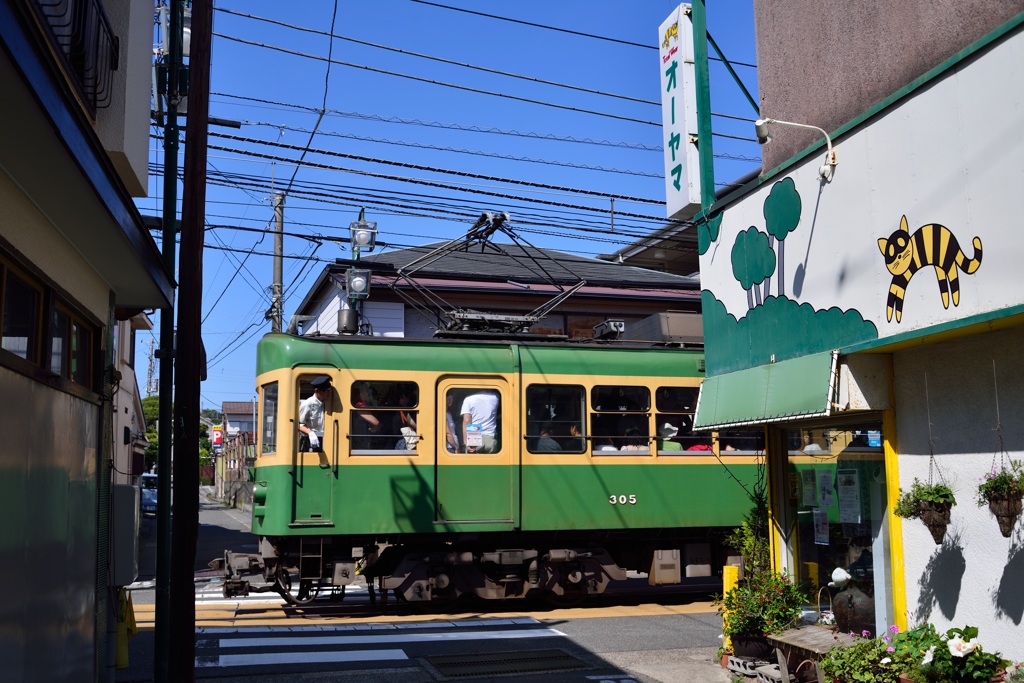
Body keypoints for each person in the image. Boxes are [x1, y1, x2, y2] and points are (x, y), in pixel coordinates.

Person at [298, 375, 331, 451]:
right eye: (326, 391)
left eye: (329, 391)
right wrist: (310, 433)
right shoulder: (307, 404)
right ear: (317, 391)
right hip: (312, 441)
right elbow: (299, 424)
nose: (328, 393)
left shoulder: (328, 404)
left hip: (326, 440)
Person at [460, 389, 499, 453]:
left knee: (474, 462)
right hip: (490, 436)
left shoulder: (469, 399)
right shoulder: (495, 397)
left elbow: (467, 421)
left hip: (475, 434)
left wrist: (466, 442)